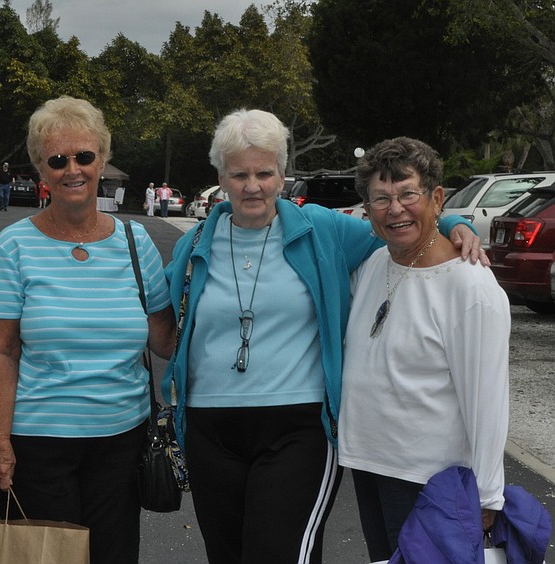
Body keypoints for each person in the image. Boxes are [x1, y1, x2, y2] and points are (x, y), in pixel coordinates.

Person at [163, 109, 484, 564]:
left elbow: (398, 231)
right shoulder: (194, 243)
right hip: (210, 428)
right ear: (220, 177)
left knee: (278, 553)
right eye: (239, 174)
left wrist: (455, 224)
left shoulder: (321, 229)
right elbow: (165, 319)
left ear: (282, 174)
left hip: (298, 427)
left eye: (264, 172)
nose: (252, 185)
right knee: (227, 555)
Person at [0, 96, 175, 564]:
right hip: (37, 444)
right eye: (58, 159)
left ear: (102, 161)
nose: (74, 169)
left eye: (84, 156)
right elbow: (0, 351)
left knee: (114, 556)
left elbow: (167, 339)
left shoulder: (136, 242)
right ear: (41, 171)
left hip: (121, 440)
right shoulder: (14, 245)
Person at [338, 137, 510, 562]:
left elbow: (487, 399)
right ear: (367, 209)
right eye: (381, 198)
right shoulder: (374, 263)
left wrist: (488, 497)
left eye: (407, 194)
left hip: (431, 481)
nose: (395, 209)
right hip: (369, 466)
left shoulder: (469, 286)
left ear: (436, 198)